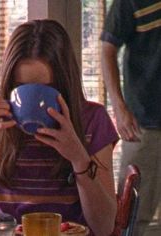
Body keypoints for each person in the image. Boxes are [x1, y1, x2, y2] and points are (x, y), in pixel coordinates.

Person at [0, 19, 119, 236]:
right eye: (20, 88)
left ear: (65, 83)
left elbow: (104, 227)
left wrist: (79, 158)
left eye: (47, 89)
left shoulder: (92, 121)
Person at [100, 1, 161, 235]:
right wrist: (119, 107)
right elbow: (107, 49)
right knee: (134, 220)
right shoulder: (130, 2)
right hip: (144, 124)